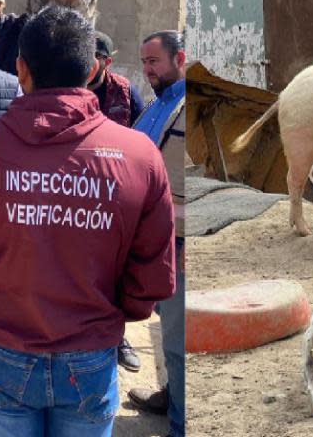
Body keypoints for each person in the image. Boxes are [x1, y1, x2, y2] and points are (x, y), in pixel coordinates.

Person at [0, 5, 176, 437]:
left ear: (19, 68)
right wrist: (114, 314)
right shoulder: (140, 154)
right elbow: (155, 276)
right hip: (91, 349)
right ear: (92, 69)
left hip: (1, 346)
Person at [127, 30, 186, 437]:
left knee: (179, 341)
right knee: (166, 329)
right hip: (151, 241)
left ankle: (181, 424)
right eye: (144, 62)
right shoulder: (157, 104)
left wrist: (178, 241)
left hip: (175, 243)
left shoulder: (186, 107)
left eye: (154, 62)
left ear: (179, 57)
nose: (148, 70)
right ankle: (172, 396)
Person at [88, 30, 146, 372]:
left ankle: (118, 337)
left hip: (115, 195)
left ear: (107, 61)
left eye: (95, 57)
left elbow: (142, 138)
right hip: (77, 195)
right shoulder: (70, 89)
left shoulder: (124, 92)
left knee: (117, 270)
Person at [89, 31, 144, 127]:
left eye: (96, 55)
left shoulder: (125, 92)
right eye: (83, 53)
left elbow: (141, 131)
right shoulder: (61, 87)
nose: (88, 60)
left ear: (107, 62)